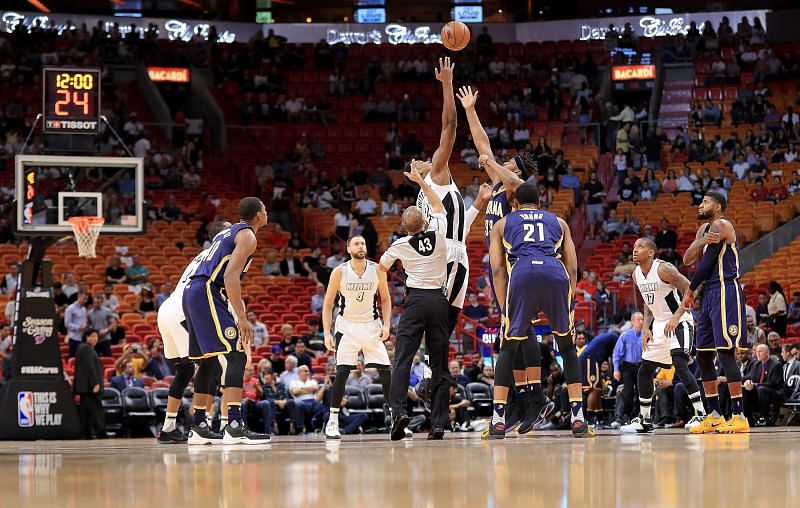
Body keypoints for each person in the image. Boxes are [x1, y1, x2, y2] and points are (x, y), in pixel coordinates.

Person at [457, 84, 546, 434]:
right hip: (498, 265)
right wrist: (469, 110)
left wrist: (495, 163)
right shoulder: (497, 183)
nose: (500, 162)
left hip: (517, 263)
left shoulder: (515, 188)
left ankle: (534, 397)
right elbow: (482, 145)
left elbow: (505, 170)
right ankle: (523, 400)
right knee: (513, 332)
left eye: (508, 163)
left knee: (520, 331)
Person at [488, 183, 584, 438]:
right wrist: (568, 299)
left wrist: (504, 310)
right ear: (540, 204)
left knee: (508, 346)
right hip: (555, 272)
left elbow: (497, 270)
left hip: (523, 272)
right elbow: (573, 268)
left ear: (516, 205)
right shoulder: (559, 222)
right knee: (567, 346)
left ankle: (498, 420)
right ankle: (578, 418)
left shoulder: (502, 223)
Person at [183, 197, 271, 444]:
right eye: (264, 209)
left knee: (208, 361)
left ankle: (198, 426)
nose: (267, 212)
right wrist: (241, 318)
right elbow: (231, 275)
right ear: (258, 215)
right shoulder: (247, 236)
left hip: (194, 291)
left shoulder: (230, 231)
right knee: (237, 354)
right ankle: (234, 424)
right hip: (208, 290)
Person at [380, 161, 451, 441]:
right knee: (439, 362)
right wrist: (421, 181)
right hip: (438, 300)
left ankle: (398, 412)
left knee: (402, 360)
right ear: (423, 222)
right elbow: (438, 206)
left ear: (405, 228)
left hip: (415, 301)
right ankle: (439, 424)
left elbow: (382, 268)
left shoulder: (400, 244)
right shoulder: (440, 231)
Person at [620, 239, 708, 434]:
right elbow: (648, 301)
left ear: (651, 253)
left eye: (640, 247)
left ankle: (702, 414)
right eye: (633, 247)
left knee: (680, 362)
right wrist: (646, 328)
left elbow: (691, 288)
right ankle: (644, 419)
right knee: (644, 371)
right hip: (659, 325)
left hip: (680, 319)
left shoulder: (664, 269)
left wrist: (676, 317)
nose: (635, 250)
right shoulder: (636, 274)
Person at [155, 221, 230, 444]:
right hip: (182, 311)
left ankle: (168, 428)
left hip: (168, 309)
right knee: (210, 364)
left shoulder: (202, 255)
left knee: (185, 371)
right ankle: (200, 424)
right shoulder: (221, 254)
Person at [681, 191, 749, 434]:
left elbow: (708, 261)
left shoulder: (722, 224)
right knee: (703, 355)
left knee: (725, 352)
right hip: (709, 293)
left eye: (706, 202)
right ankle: (715, 415)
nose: (701, 205)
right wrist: (700, 240)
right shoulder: (704, 231)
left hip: (725, 289)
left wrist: (690, 290)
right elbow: (688, 258)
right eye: (700, 202)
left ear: (718, 207)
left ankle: (739, 415)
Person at [320, 234, 392, 440]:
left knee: (386, 372)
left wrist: (387, 324)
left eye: (363, 243)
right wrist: (327, 332)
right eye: (356, 244)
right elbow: (327, 305)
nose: (361, 246)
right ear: (349, 249)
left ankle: (395, 417)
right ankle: (333, 421)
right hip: (347, 327)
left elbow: (386, 299)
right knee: (342, 373)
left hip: (371, 325)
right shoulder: (339, 272)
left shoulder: (378, 269)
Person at [611, 313, 643, 427]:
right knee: (628, 392)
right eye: (639, 320)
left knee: (641, 392)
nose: (641, 322)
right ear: (633, 321)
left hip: (641, 367)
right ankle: (627, 417)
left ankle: (639, 417)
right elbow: (616, 354)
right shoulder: (624, 336)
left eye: (642, 319)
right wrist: (616, 370)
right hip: (627, 367)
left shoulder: (646, 335)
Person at [73, 329, 105, 439]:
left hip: (85, 387)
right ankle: (100, 432)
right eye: (93, 336)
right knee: (94, 411)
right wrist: (95, 383)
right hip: (89, 387)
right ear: (87, 337)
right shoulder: (86, 348)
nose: (96, 338)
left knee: (85, 412)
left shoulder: (84, 348)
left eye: (97, 336)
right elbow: (90, 367)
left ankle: (86, 433)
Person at [743, 343, 784, 426]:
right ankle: (747, 417)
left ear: (767, 353)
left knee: (761, 389)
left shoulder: (776, 364)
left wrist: (755, 385)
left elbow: (773, 383)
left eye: (760, 351)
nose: (757, 353)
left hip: (775, 392)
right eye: (756, 351)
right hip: (761, 390)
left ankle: (765, 417)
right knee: (745, 388)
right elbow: (748, 377)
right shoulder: (756, 364)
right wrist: (747, 382)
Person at [65, 292, 89, 358]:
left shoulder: (84, 309)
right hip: (74, 338)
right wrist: (78, 327)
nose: (85, 301)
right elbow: (67, 324)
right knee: (74, 358)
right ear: (79, 297)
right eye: (84, 299)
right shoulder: (70, 308)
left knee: (82, 358)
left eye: (86, 299)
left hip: (83, 338)